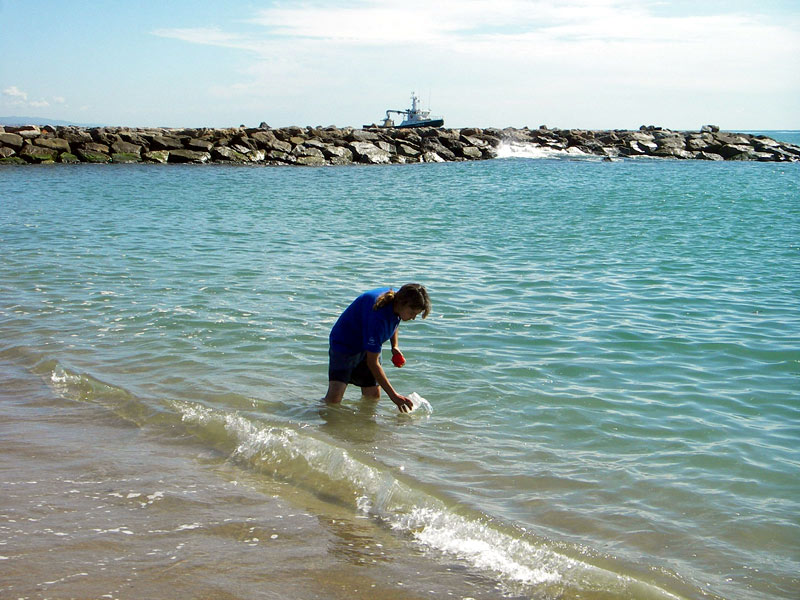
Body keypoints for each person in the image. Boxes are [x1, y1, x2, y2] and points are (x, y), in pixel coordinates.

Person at [323, 284, 431, 413]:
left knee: (373, 396)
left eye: (416, 314)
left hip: (368, 344)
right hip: (345, 344)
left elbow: (395, 320)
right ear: (402, 303)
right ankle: (314, 419)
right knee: (335, 398)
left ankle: (364, 428)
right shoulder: (378, 317)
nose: (413, 317)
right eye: (412, 313)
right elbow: (372, 363)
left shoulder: (398, 299)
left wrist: (394, 346)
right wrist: (394, 396)